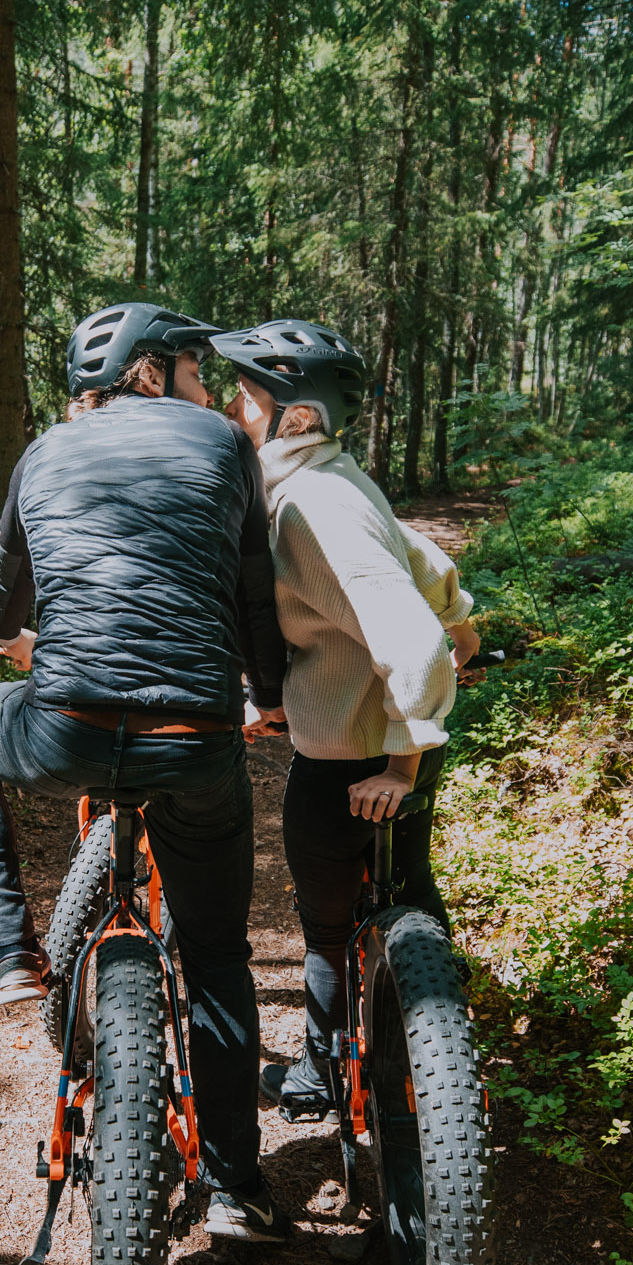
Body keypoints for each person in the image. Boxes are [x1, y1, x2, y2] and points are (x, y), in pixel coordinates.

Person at [0, 301, 296, 1242]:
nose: (208, 388)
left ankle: (12, 951)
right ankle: (235, 1188)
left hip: (65, 728)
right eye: (193, 368)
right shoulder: (223, 445)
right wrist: (269, 696)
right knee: (216, 957)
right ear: (149, 371)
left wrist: (18, 642)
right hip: (195, 736)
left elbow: (3, 605)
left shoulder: (42, 452)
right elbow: (253, 592)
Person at [207, 320, 480, 1119]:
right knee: (414, 889)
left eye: (248, 398)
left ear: (294, 417)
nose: (232, 406)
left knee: (324, 926)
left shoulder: (306, 509)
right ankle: (443, 1061)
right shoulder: (336, 477)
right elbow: (418, 559)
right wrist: (466, 624)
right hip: (389, 750)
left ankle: (321, 1078)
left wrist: (400, 754)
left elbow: (413, 639)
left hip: (347, 760)